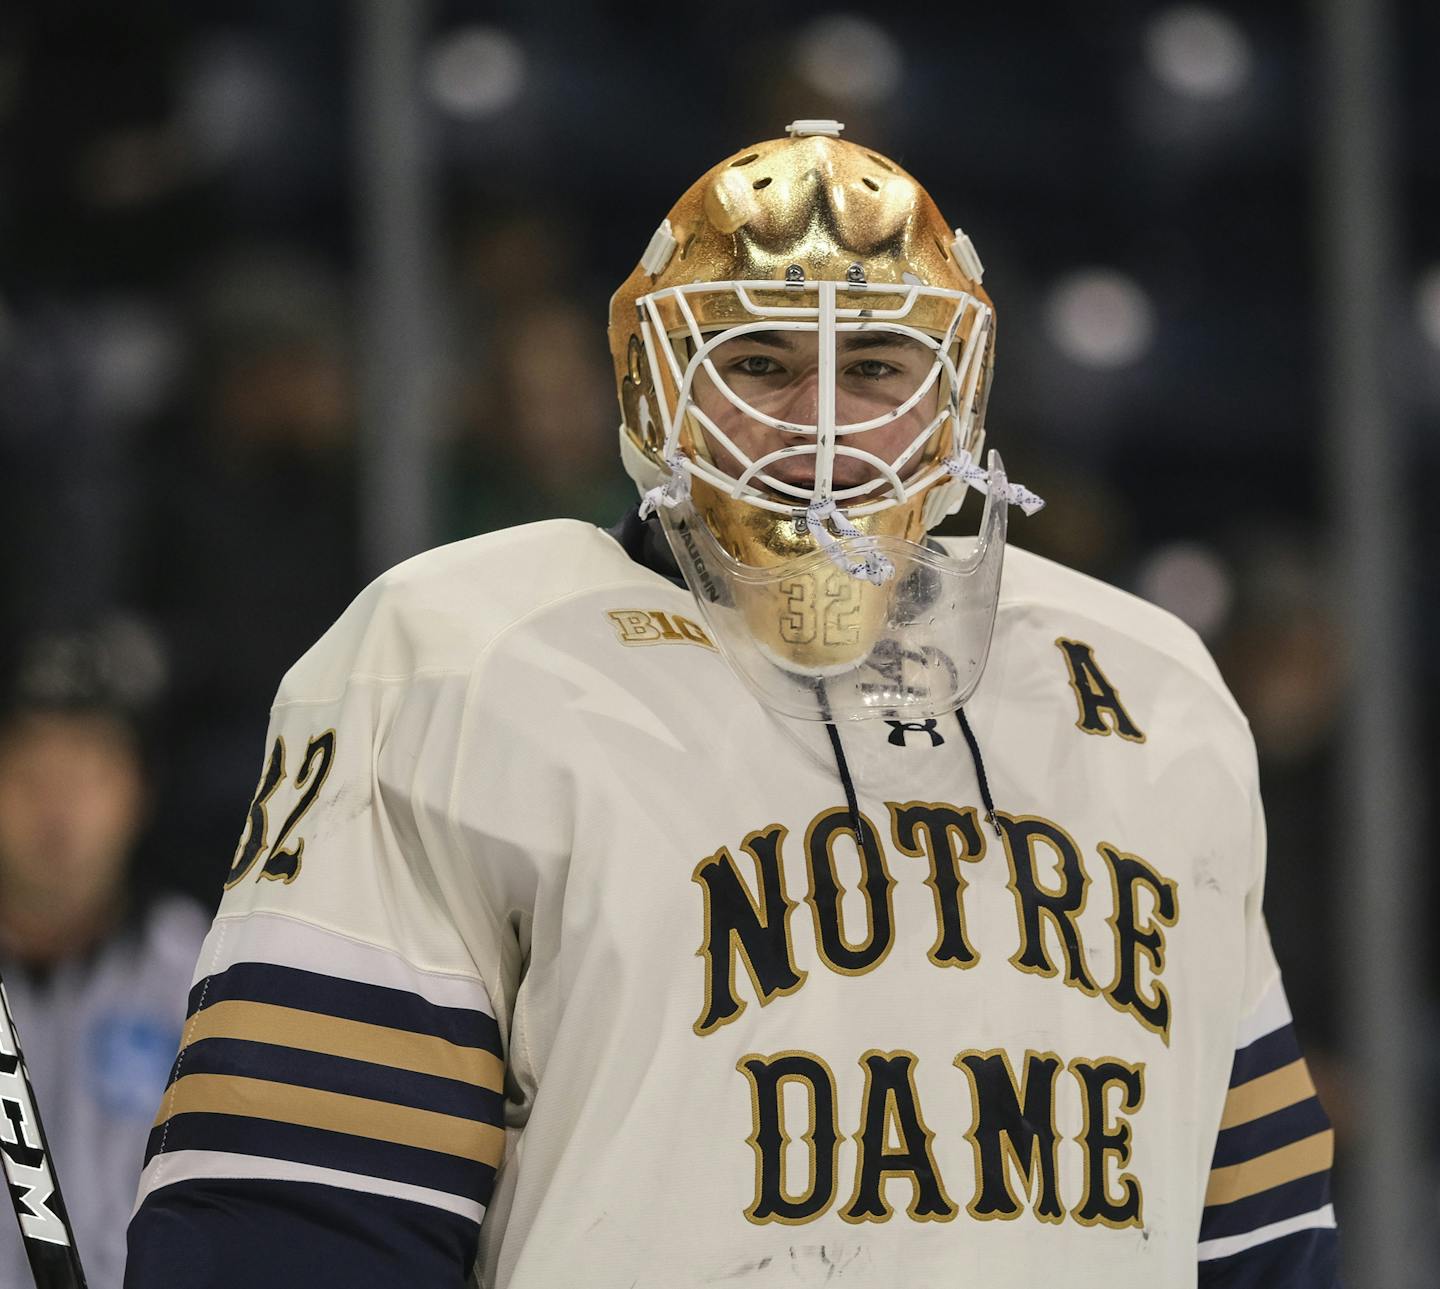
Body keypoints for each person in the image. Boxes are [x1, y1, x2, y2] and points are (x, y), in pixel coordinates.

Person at [126, 122, 1339, 1287]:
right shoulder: (456, 656)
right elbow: (304, 1210)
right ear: (654, 387)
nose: (820, 426)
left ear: (958, 392)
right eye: (758, 361)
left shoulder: (1153, 683)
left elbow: (1260, 1240)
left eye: (874, 366)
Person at [0, 630, 208, 1289]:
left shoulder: (206, 973)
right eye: (30, 770)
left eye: (89, 774)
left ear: (139, 791)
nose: (57, 811)